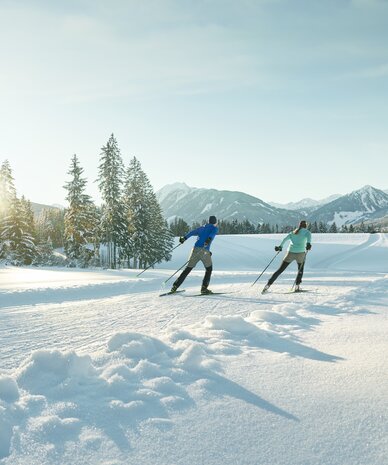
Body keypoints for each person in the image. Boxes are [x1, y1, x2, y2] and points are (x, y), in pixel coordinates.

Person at [170, 215, 218, 295]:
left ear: (209, 221)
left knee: (187, 269)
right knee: (209, 269)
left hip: (195, 250)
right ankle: (204, 289)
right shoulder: (214, 228)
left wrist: (184, 238)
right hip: (204, 251)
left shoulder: (202, 227)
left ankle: (175, 286)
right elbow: (211, 235)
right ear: (214, 222)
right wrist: (208, 240)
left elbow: (192, 232)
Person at [262, 220, 312, 293]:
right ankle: (297, 287)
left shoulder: (293, 232)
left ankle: (268, 285)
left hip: (290, 253)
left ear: (299, 225)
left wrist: (280, 247)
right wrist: (308, 246)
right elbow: (308, 243)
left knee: (280, 270)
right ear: (306, 225)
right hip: (300, 253)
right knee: (300, 270)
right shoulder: (307, 233)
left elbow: (284, 239)